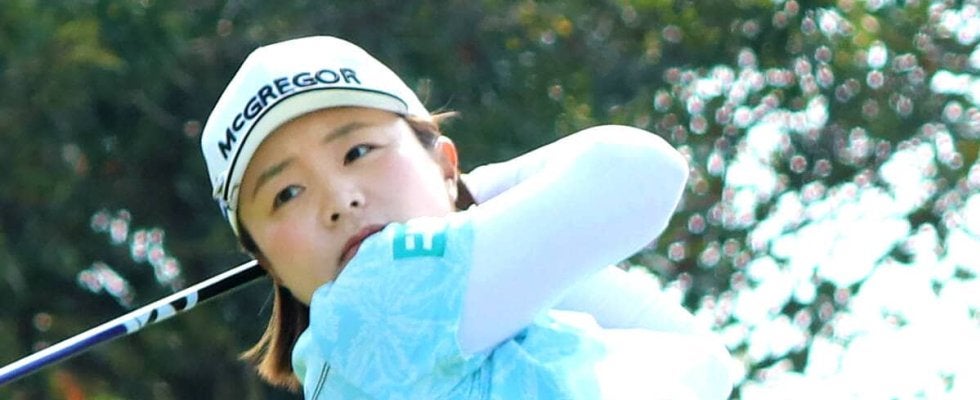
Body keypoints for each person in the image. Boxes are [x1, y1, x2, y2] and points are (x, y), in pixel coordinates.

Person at [201, 36, 734, 399]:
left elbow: (704, 365)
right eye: (287, 193)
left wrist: (463, 203)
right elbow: (639, 172)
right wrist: (472, 191)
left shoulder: (360, 362)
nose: (339, 200)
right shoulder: (379, 312)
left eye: (358, 152)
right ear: (269, 263)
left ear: (442, 160)